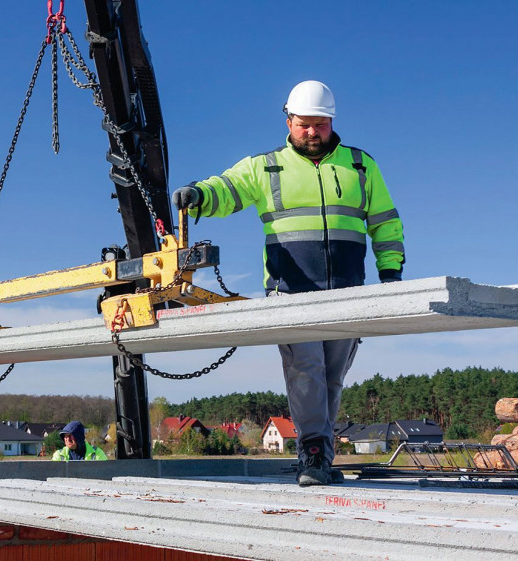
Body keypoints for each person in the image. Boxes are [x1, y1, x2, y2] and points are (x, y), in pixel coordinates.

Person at [172, 80, 404, 486]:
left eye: (320, 124)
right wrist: (199, 195)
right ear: (288, 120)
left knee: (332, 376)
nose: (312, 132)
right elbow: (228, 187)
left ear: (332, 122)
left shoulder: (361, 165)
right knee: (305, 369)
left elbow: (385, 222)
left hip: (349, 292)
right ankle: (313, 449)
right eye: (304, 124)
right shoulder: (267, 166)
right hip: (291, 293)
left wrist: (391, 275)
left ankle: (320, 455)